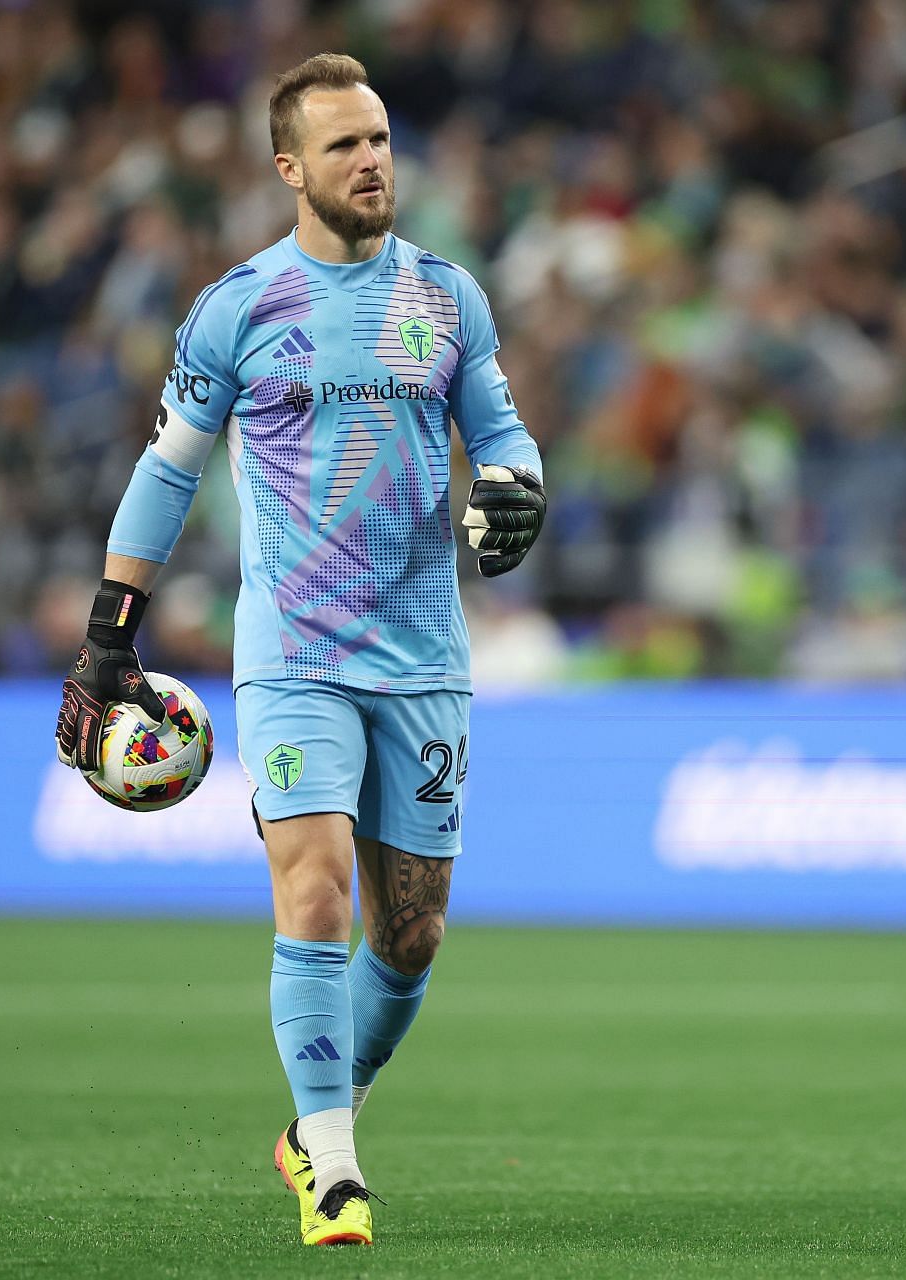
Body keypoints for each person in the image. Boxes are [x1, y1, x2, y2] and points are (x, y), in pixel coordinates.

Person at [52, 53, 545, 1248]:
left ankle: (315, 1118)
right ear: (290, 169)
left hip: (424, 653)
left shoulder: (448, 298)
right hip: (296, 650)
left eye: (379, 139)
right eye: (344, 146)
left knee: (412, 929)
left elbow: (503, 429)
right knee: (313, 883)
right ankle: (334, 1166)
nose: (372, 160)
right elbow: (168, 467)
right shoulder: (237, 309)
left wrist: (518, 491)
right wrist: (109, 627)